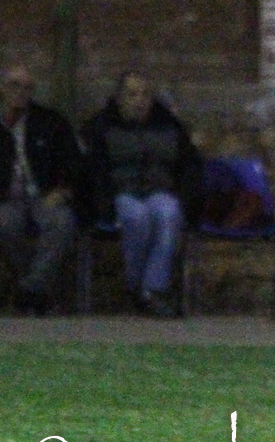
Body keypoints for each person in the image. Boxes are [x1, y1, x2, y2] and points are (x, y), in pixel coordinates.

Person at [83, 71, 203, 318]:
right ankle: (137, 286)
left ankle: (153, 289)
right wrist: (102, 203)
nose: (140, 100)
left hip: (160, 191)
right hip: (121, 193)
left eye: (145, 94)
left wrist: (184, 198)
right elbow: (93, 170)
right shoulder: (101, 127)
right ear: (119, 98)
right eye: (132, 94)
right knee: (137, 217)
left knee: (169, 214)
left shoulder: (170, 126)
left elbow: (190, 165)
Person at [0, 61, 83, 315]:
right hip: (6, 197)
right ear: (2, 87)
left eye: (27, 88)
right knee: (4, 224)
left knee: (62, 222)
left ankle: (29, 291)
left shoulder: (50, 121)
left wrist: (62, 189)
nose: (20, 92)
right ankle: (36, 291)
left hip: (44, 194)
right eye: (14, 85)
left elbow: (73, 162)